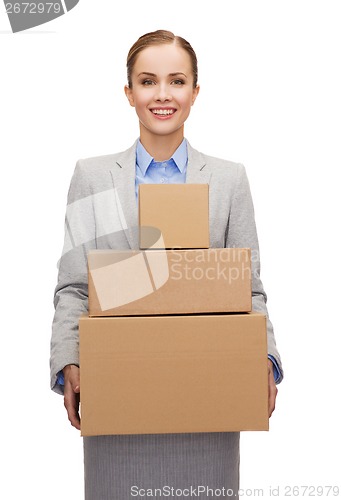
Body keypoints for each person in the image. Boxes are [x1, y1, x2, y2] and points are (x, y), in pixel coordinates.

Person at [50, 29, 283, 500]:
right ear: (129, 93)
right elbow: (75, 286)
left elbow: (248, 287)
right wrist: (69, 358)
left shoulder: (228, 180)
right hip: (119, 396)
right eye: (147, 81)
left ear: (195, 92)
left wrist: (265, 357)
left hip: (206, 397)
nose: (162, 94)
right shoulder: (92, 177)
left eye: (176, 81)